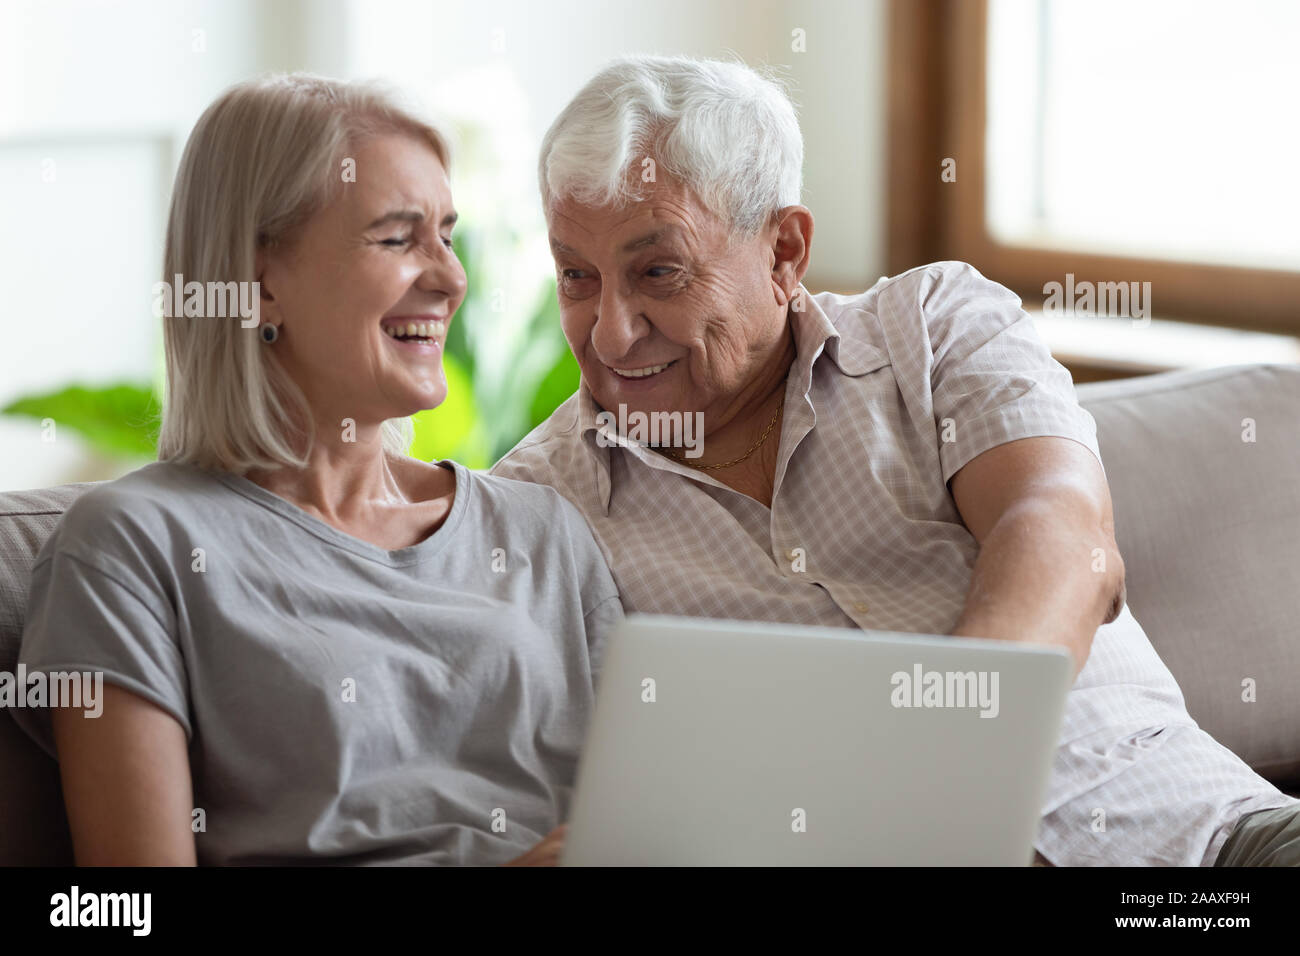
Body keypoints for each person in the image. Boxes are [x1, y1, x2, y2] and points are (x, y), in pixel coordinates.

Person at [493, 54, 1300, 866]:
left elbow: (1064, 537)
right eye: (577, 277)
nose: (609, 331)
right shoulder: (535, 506)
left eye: (657, 272)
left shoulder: (935, 327)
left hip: (1207, 848)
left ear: (784, 251)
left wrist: (945, 749)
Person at [14, 73, 618, 866]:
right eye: (398, 238)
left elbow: (664, 808)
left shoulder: (541, 532)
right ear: (258, 286)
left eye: (446, 233)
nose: (449, 276)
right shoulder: (131, 549)